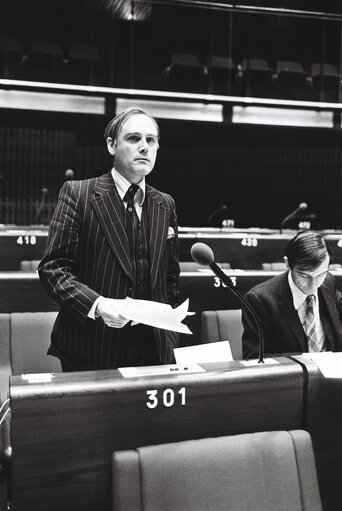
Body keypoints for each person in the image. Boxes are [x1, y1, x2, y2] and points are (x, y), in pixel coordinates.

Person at [38, 106, 180, 371]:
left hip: (153, 349)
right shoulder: (78, 194)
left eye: (151, 140)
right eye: (134, 138)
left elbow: (169, 277)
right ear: (112, 145)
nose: (144, 147)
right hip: (91, 347)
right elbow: (53, 269)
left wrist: (167, 331)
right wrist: (98, 304)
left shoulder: (165, 204)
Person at [242, 230, 342, 359]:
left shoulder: (328, 282)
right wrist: (310, 360)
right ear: (288, 264)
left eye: (321, 275)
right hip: (294, 376)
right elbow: (256, 358)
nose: (313, 286)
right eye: (305, 276)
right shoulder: (259, 299)